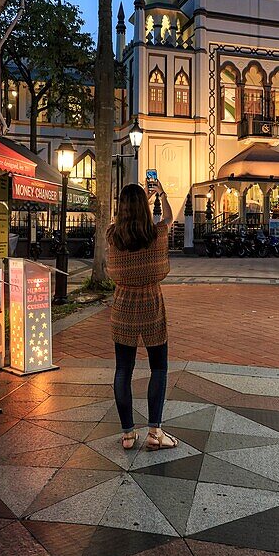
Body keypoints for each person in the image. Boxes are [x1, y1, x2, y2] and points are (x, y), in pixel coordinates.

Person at [105, 180, 178, 452]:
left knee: (123, 369)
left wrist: (139, 202)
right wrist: (160, 193)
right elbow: (169, 217)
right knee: (158, 368)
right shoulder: (156, 233)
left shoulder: (113, 235)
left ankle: (127, 434)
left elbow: (121, 221)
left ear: (121, 208)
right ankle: (155, 432)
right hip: (151, 304)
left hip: (123, 306)